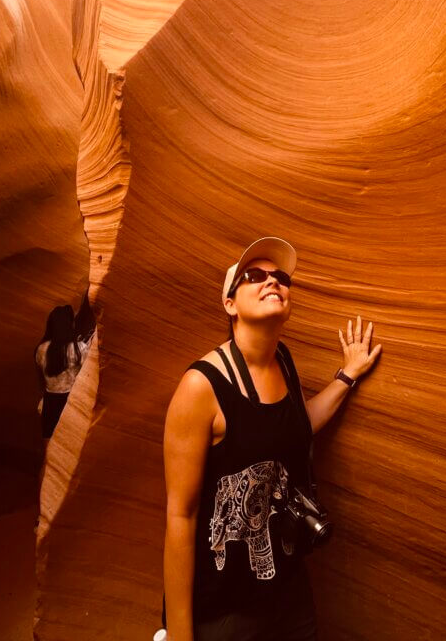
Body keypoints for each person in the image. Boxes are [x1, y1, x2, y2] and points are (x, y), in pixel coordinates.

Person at [163, 237, 382, 640]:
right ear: (229, 304)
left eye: (281, 277)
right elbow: (181, 516)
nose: (273, 282)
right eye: (254, 276)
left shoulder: (283, 358)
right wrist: (180, 635)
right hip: (227, 604)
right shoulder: (201, 387)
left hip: (287, 584)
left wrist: (347, 375)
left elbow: (297, 425)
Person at [35, 303, 92, 439]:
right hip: (71, 401)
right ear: (69, 325)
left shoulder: (42, 349)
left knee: (49, 439)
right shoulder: (78, 349)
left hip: (50, 401)